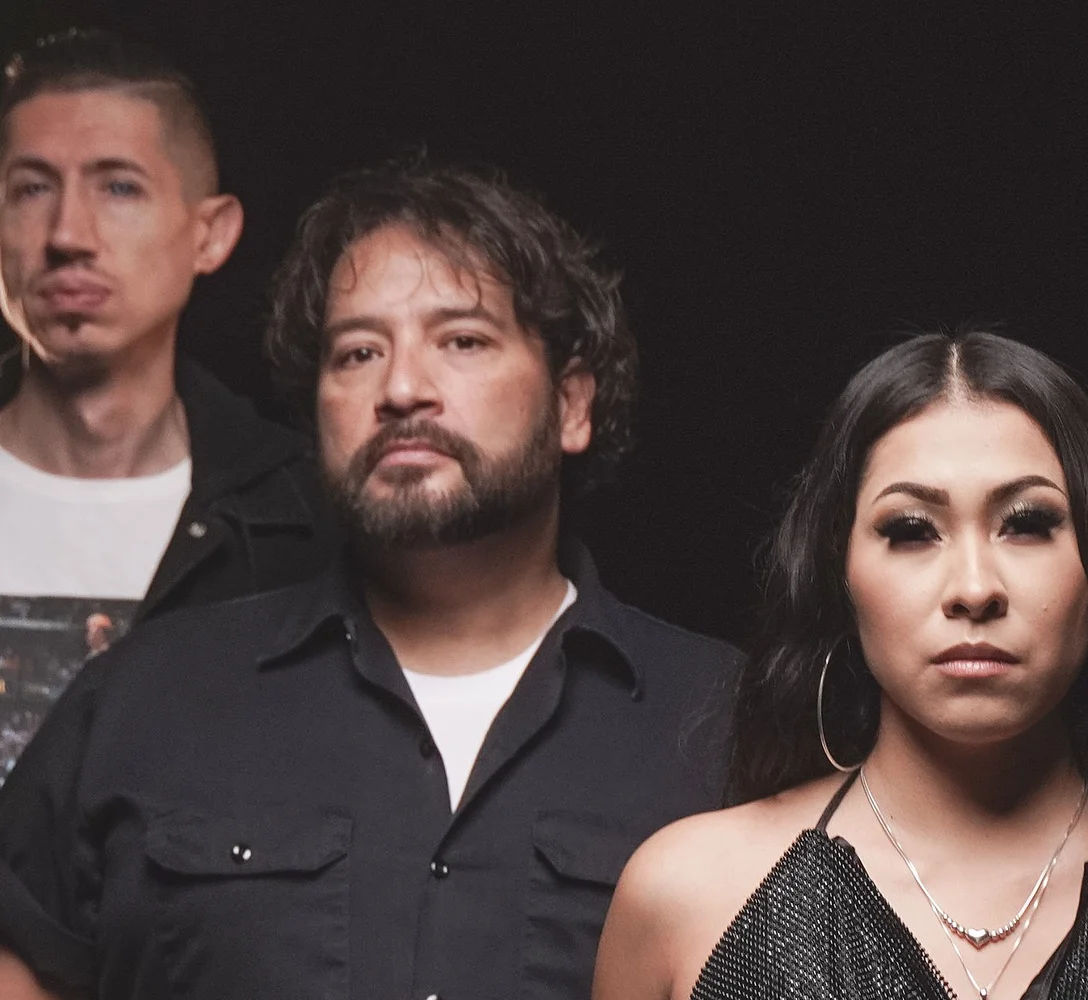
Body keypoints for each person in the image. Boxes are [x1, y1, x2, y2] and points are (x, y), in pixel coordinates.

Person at [0, 157, 737, 999]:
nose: (402, 388)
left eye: (462, 341)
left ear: (571, 405)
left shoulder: (720, 725)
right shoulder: (148, 697)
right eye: (357, 352)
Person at [595, 330, 1088, 1000]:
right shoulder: (687, 902)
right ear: (840, 576)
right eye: (912, 530)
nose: (974, 589)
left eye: (1027, 524)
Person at [0, 29, 331, 784]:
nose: (67, 235)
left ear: (210, 235)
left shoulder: (300, 517)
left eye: (119, 187)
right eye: (31, 188)